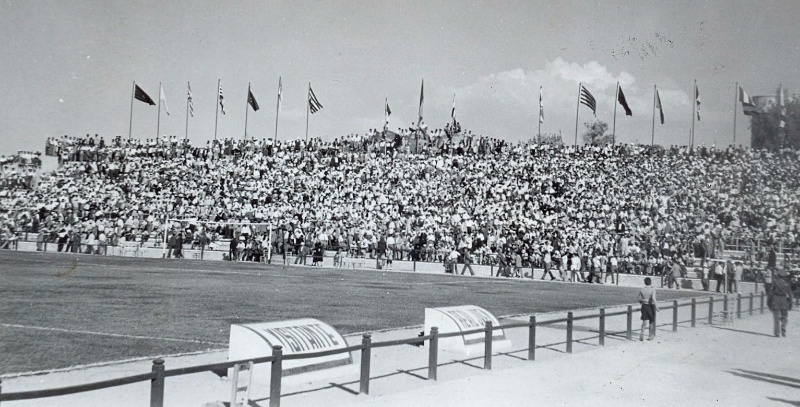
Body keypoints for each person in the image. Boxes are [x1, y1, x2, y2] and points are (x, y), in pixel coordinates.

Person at [767, 268, 794, 337]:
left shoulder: (774, 282)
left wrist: (768, 302)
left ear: (778, 275)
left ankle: (777, 332)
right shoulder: (787, 284)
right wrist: (791, 303)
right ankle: (783, 328)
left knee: (776, 318)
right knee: (784, 316)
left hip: (775, 300)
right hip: (784, 300)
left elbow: (770, 293)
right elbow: (790, 294)